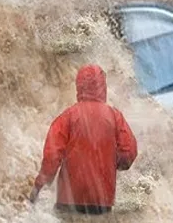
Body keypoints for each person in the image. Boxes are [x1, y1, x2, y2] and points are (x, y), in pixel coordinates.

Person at [29, 64, 138, 215]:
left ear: (79, 87)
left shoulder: (68, 117)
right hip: (101, 202)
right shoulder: (115, 117)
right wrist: (111, 164)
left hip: (69, 200)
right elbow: (128, 153)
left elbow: (52, 157)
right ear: (103, 87)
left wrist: (38, 187)